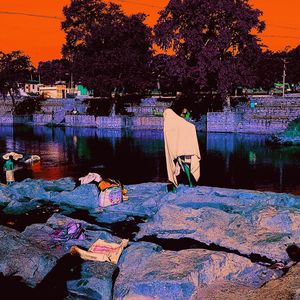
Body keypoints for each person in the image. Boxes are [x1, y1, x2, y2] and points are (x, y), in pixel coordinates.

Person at [163, 108, 201, 192]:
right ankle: (190, 184)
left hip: (176, 150)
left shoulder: (170, 124)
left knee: (172, 165)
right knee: (185, 165)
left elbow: (169, 139)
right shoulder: (181, 122)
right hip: (185, 149)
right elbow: (190, 127)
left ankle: (174, 187)